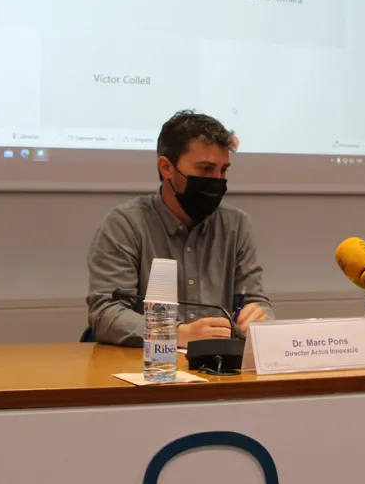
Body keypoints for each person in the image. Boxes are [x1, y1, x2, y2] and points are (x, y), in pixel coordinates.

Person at [86, 111, 272, 346]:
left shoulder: (236, 225)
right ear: (166, 168)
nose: (217, 180)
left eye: (223, 170)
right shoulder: (125, 224)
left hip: (216, 369)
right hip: (146, 368)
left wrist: (257, 316)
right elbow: (106, 314)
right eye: (205, 169)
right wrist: (176, 334)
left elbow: (255, 301)